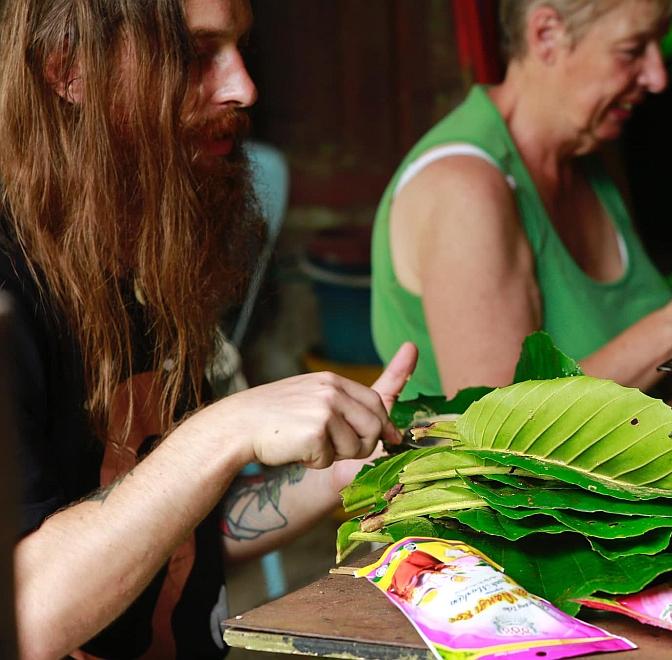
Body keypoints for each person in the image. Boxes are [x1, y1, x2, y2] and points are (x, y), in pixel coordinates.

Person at [0, 0, 416, 657]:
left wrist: (337, 473)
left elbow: (173, 534)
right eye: (197, 54)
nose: (243, 87)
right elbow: (22, 617)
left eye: (239, 47)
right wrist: (223, 431)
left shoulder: (148, 245)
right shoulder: (10, 288)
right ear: (69, 70)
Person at [371, 0, 672, 399]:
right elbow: (502, 436)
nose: (658, 76)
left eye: (658, 47)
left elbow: (644, 375)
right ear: (546, 35)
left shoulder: (593, 155)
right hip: (502, 495)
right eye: (632, 50)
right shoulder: (464, 187)